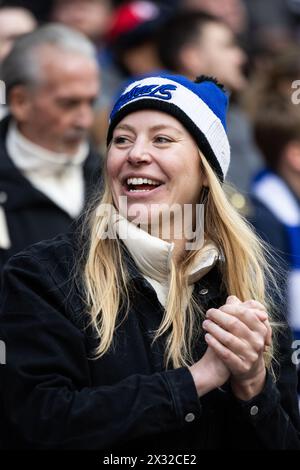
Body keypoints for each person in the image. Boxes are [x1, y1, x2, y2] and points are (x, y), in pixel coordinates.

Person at [0, 73, 299, 451]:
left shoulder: (249, 286)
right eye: (121, 139)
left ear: (206, 171)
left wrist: (254, 386)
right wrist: (196, 381)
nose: (136, 154)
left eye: (161, 139)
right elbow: (38, 424)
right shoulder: (42, 275)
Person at [0, 24, 102, 271]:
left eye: (91, 102)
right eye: (69, 103)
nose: (85, 120)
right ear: (20, 102)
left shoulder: (117, 178)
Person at [156, 10, 262, 207]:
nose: (240, 57)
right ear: (192, 57)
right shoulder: (161, 123)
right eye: (227, 46)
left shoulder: (238, 118)